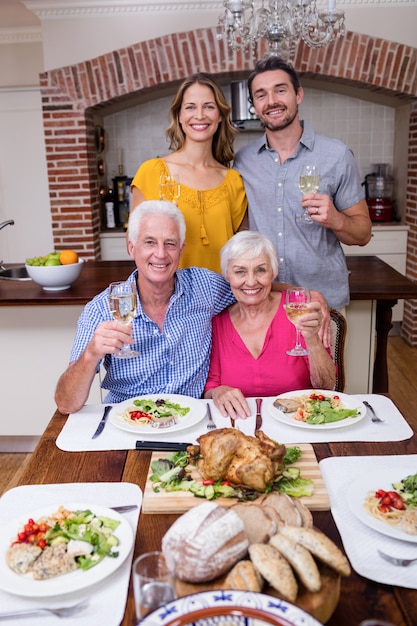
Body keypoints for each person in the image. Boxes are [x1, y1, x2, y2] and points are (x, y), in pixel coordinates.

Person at [55, 200, 242, 415]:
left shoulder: (205, 287)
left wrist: (288, 293)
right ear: (131, 248)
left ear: (181, 249)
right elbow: (66, 403)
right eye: (150, 242)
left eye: (170, 243)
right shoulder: (101, 308)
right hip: (127, 422)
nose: (161, 254)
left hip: (189, 420)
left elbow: (252, 288)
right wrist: (90, 354)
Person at [233, 56, 372, 312]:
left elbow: (363, 234)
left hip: (321, 302)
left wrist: (336, 219)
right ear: (254, 106)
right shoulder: (243, 162)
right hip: (265, 303)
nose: (272, 101)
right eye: (261, 95)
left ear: (298, 95)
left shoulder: (336, 155)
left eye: (280, 90)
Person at [204, 231, 336, 421]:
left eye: (260, 270)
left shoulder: (297, 311)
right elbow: (211, 386)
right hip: (240, 427)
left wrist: (312, 339)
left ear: (273, 273)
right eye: (240, 271)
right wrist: (218, 392)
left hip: (300, 423)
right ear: (227, 276)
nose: (251, 281)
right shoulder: (217, 322)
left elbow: (326, 386)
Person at [130, 73, 248, 273]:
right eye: (190, 107)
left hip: (222, 298)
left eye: (209, 106)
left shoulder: (233, 181)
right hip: (169, 298)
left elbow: (242, 251)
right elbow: (133, 246)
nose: (200, 115)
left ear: (220, 116)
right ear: (179, 116)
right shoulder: (151, 172)